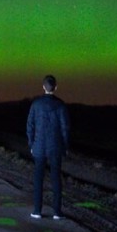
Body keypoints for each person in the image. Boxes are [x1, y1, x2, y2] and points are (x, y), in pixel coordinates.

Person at [26, 74, 70, 220]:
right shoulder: (61, 105)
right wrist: (65, 146)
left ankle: (37, 211)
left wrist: (31, 144)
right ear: (56, 87)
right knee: (56, 178)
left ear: (43, 87)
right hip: (55, 147)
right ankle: (57, 212)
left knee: (38, 179)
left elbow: (30, 126)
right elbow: (65, 128)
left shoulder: (35, 104)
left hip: (39, 147)